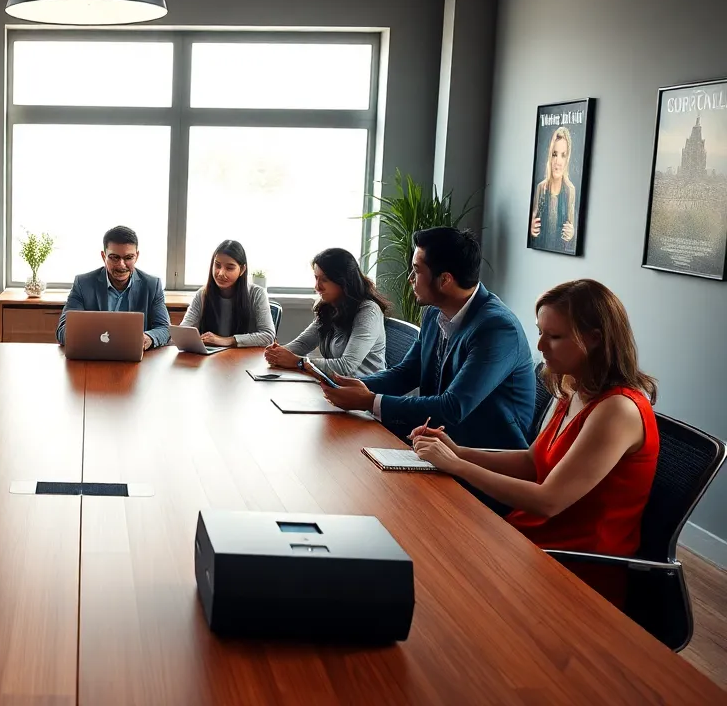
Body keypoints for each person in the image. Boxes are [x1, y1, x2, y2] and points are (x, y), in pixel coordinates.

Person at [411, 280, 658, 603]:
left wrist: (458, 466)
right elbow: (532, 462)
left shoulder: (617, 410)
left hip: (573, 566)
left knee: (437, 569)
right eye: (540, 332)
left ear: (595, 339)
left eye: (554, 337)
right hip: (529, 539)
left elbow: (548, 501)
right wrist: (458, 451)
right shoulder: (575, 388)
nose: (540, 346)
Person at [319, 228, 535, 450]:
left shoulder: (497, 328)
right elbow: (406, 373)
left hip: (485, 455)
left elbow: (453, 407)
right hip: (437, 442)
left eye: (416, 270)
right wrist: (345, 386)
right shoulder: (434, 313)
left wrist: (368, 400)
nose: (410, 279)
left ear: (445, 280)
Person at [266, 247, 388, 377]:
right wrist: (278, 353)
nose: (317, 287)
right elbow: (303, 344)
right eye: (316, 278)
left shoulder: (368, 311)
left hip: (365, 386)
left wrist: (299, 363)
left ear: (344, 281)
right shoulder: (330, 307)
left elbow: (346, 366)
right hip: (335, 383)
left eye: (324, 280)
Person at [55, 225, 171, 351]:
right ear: (103, 256)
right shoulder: (83, 284)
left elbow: (165, 329)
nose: (121, 265)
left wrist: (148, 338)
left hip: (137, 357)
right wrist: (93, 338)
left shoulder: (152, 285)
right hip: (94, 355)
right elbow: (62, 331)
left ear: (136, 256)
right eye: (114, 257)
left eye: (128, 258)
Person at [180, 240, 274, 348]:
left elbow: (268, 336)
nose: (221, 273)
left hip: (244, 357)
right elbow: (183, 332)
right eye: (217, 265)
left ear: (242, 270)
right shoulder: (202, 294)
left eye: (229, 268)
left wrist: (228, 340)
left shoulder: (257, 294)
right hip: (211, 357)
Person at [530, 126, 577, 252]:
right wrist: (531, 228)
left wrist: (572, 233)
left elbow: (572, 231)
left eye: (563, 155)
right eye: (554, 154)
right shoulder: (541, 188)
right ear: (550, 156)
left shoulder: (570, 190)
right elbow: (532, 222)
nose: (558, 162)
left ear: (567, 159)